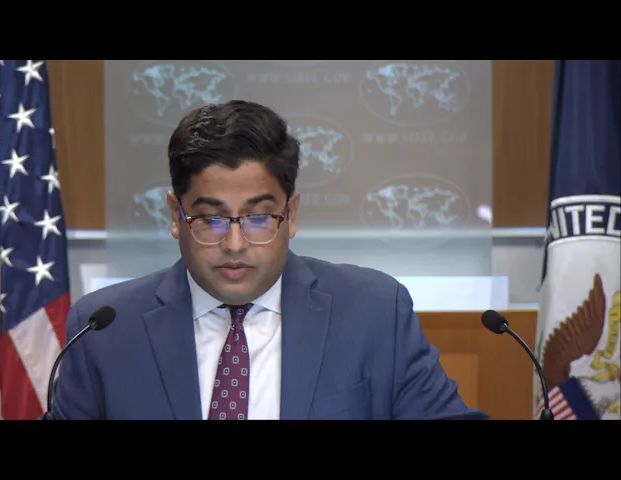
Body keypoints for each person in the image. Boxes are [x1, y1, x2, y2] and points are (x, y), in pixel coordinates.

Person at [51, 100, 489, 420]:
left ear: (291, 214)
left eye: (259, 218)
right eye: (211, 219)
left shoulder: (374, 312)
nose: (235, 244)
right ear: (175, 215)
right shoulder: (104, 330)